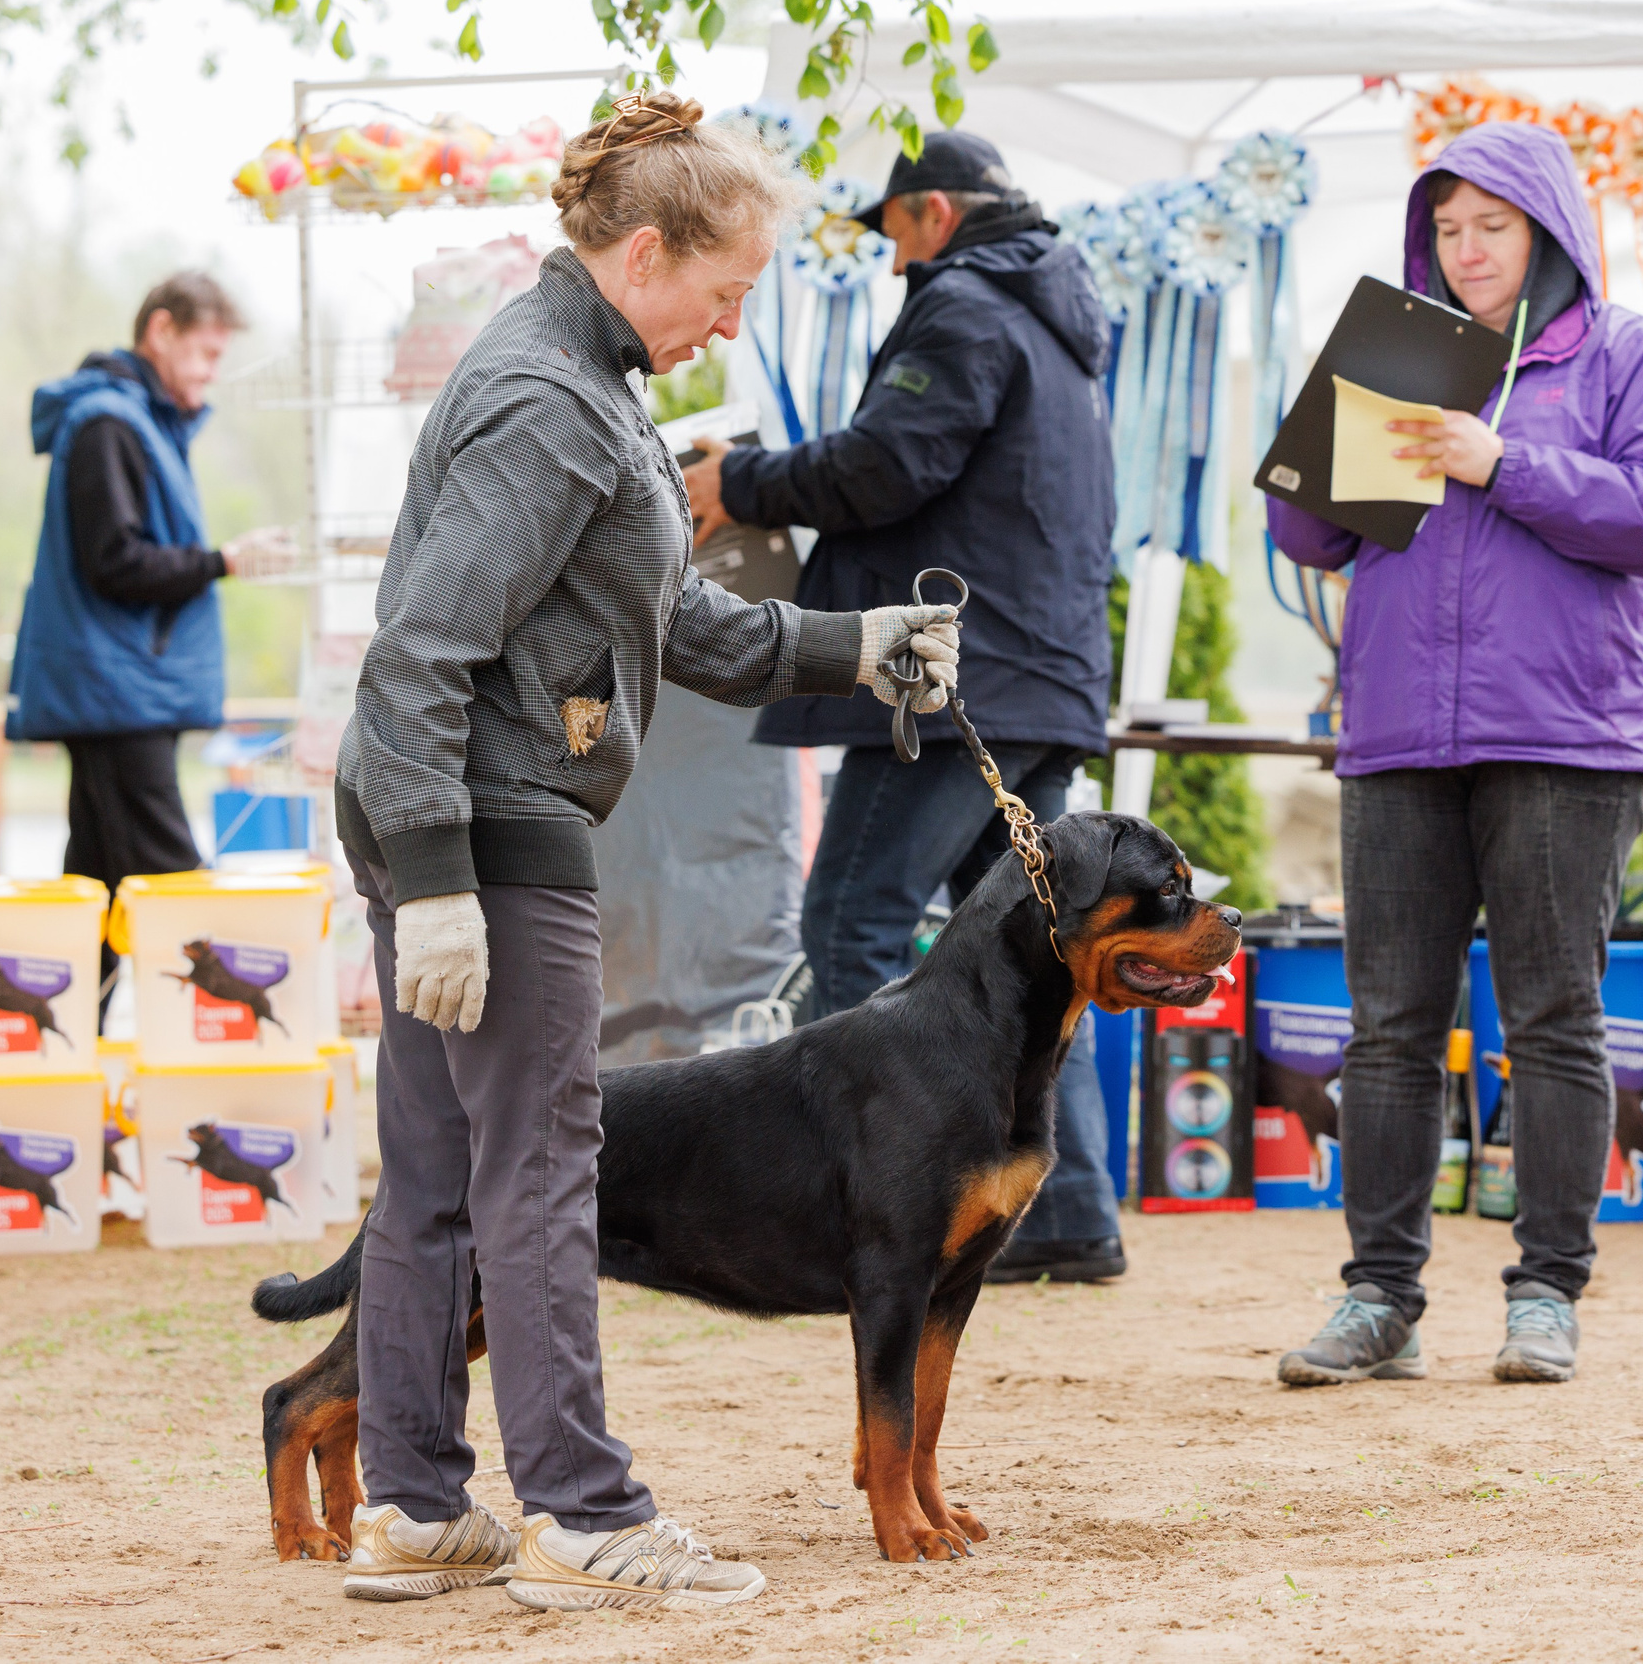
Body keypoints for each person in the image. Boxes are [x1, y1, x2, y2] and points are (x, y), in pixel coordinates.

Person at [330, 95, 962, 1609]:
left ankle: (413, 1506)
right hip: (487, 821)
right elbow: (419, 652)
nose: (729, 326)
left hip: (461, 810)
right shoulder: (550, 402)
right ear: (643, 253)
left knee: (438, 1172)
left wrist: (855, 645)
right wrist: (439, 884)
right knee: (545, 1169)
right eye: (725, 291)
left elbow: (671, 618)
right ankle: (583, 1516)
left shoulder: (586, 380)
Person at [1265, 121, 1643, 1387]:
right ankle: (1378, 1298)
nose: (1467, 251)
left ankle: (1546, 1294)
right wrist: (1324, 435)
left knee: (1554, 1018)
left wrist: (1500, 460)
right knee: (1386, 1029)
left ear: (1548, 229)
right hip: (1397, 732)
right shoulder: (1403, 354)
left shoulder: (1627, 356)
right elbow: (1310, 539)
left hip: (1567, 735)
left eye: (1492, 227)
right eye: (1448, 229)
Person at [681, 132, 1124, 1285]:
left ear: (933, 212)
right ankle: (1068, 1214)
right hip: (1040, 675)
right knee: (1042, 949)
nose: (889, 262)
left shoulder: (965, 305)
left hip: (952, 679)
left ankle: (885, 1201)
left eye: (891, 235)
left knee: (851, 924)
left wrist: (738, 481)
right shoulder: (1058, 320)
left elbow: (888, 465)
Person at [11, 273, 293, 968]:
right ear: (161, 331)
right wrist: (223, 560)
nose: (211, 372)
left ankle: (68, 1027)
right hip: (117, 693)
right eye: (206, 353)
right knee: (173, 885)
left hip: (122, 688)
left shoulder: (139, 422)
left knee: (98, 885)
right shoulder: (108, 424)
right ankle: (221, 1023)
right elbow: (115, 561)